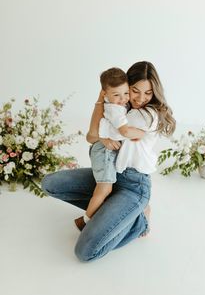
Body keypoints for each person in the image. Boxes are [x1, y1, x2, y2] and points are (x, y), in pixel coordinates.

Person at [41, 61, 176, 262]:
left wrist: (104, 102)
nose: (140, 98)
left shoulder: (147, 114)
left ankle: (138, 222)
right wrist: (102, 98)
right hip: (111, 174)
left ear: (155, 92)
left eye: (148, 93)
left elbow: (95, 134)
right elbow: (92, 136)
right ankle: (115, 212)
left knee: (85, 252)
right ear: (125, 87)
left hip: (133, 185)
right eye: (135, 91)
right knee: (50, 183)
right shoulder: (121, 108)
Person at [74, 67, 145, 231]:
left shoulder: (116, 104)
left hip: (104, 150)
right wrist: (142, 133)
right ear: (104, 94)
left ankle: (93, 216)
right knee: (105, 188)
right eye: (116, 95)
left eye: (126, 93)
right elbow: (124, 131)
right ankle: (84, 221)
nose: (123, 99)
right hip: (104, 152)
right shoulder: (114, 109)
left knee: (107, 188)